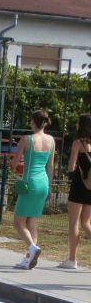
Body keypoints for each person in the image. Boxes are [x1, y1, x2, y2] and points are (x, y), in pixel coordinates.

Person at [10, 109, 55, 269]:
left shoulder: (26, 139)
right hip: (43, 182)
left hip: (30, 183)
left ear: (33, 122)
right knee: (32, 222)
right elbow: (50, 166)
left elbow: (15, 163)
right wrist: (50, 188)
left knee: (18, 222)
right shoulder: (51, 140)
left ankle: (33, 248)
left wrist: (13, 165)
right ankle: (29, 258)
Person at [59, 113, 91, 269]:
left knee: (74, 223)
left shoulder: (78, 143)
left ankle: (72, 259)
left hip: (79, 185)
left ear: (82, 125)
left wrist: (72, 169)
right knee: (86, 223)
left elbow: (71, 166)